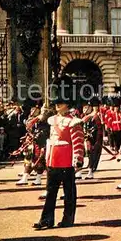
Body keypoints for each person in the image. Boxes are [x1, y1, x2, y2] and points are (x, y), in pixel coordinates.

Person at [34, 75, 85, 230]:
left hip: (66, 160)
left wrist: (78, 159)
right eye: (56, 102)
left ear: (67, 103)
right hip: (53, 160)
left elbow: (77, 142)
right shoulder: (52, 120)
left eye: (60, 102)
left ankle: (68, 218)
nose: (57, 105)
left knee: (69, 193)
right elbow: (50, 140)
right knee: (50, 193)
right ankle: (46, 220)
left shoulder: (73, 121)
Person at [81, 96, 103, 180]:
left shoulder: (95, 117)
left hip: (92, 140)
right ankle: (79, 172)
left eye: (87, 107)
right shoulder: (84, 117)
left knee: (92, 156)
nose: (85, 109)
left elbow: (97, 130)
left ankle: (90, 171)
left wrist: (90, 136)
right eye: (84, 108)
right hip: (84, 140)